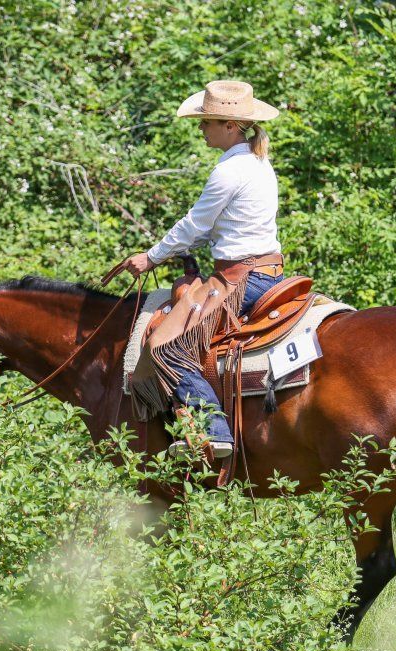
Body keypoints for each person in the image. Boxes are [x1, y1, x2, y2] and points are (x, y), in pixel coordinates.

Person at [123, 80, 283, 460]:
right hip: (267, 270)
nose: (201, 128)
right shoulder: (257, 162)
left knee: (165, 345)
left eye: (207, 122)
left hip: (241, 279)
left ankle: (213, 430)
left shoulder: (229, 171)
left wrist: (152, 257)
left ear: (230, 125)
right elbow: (213, 228)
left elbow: (196, 225)